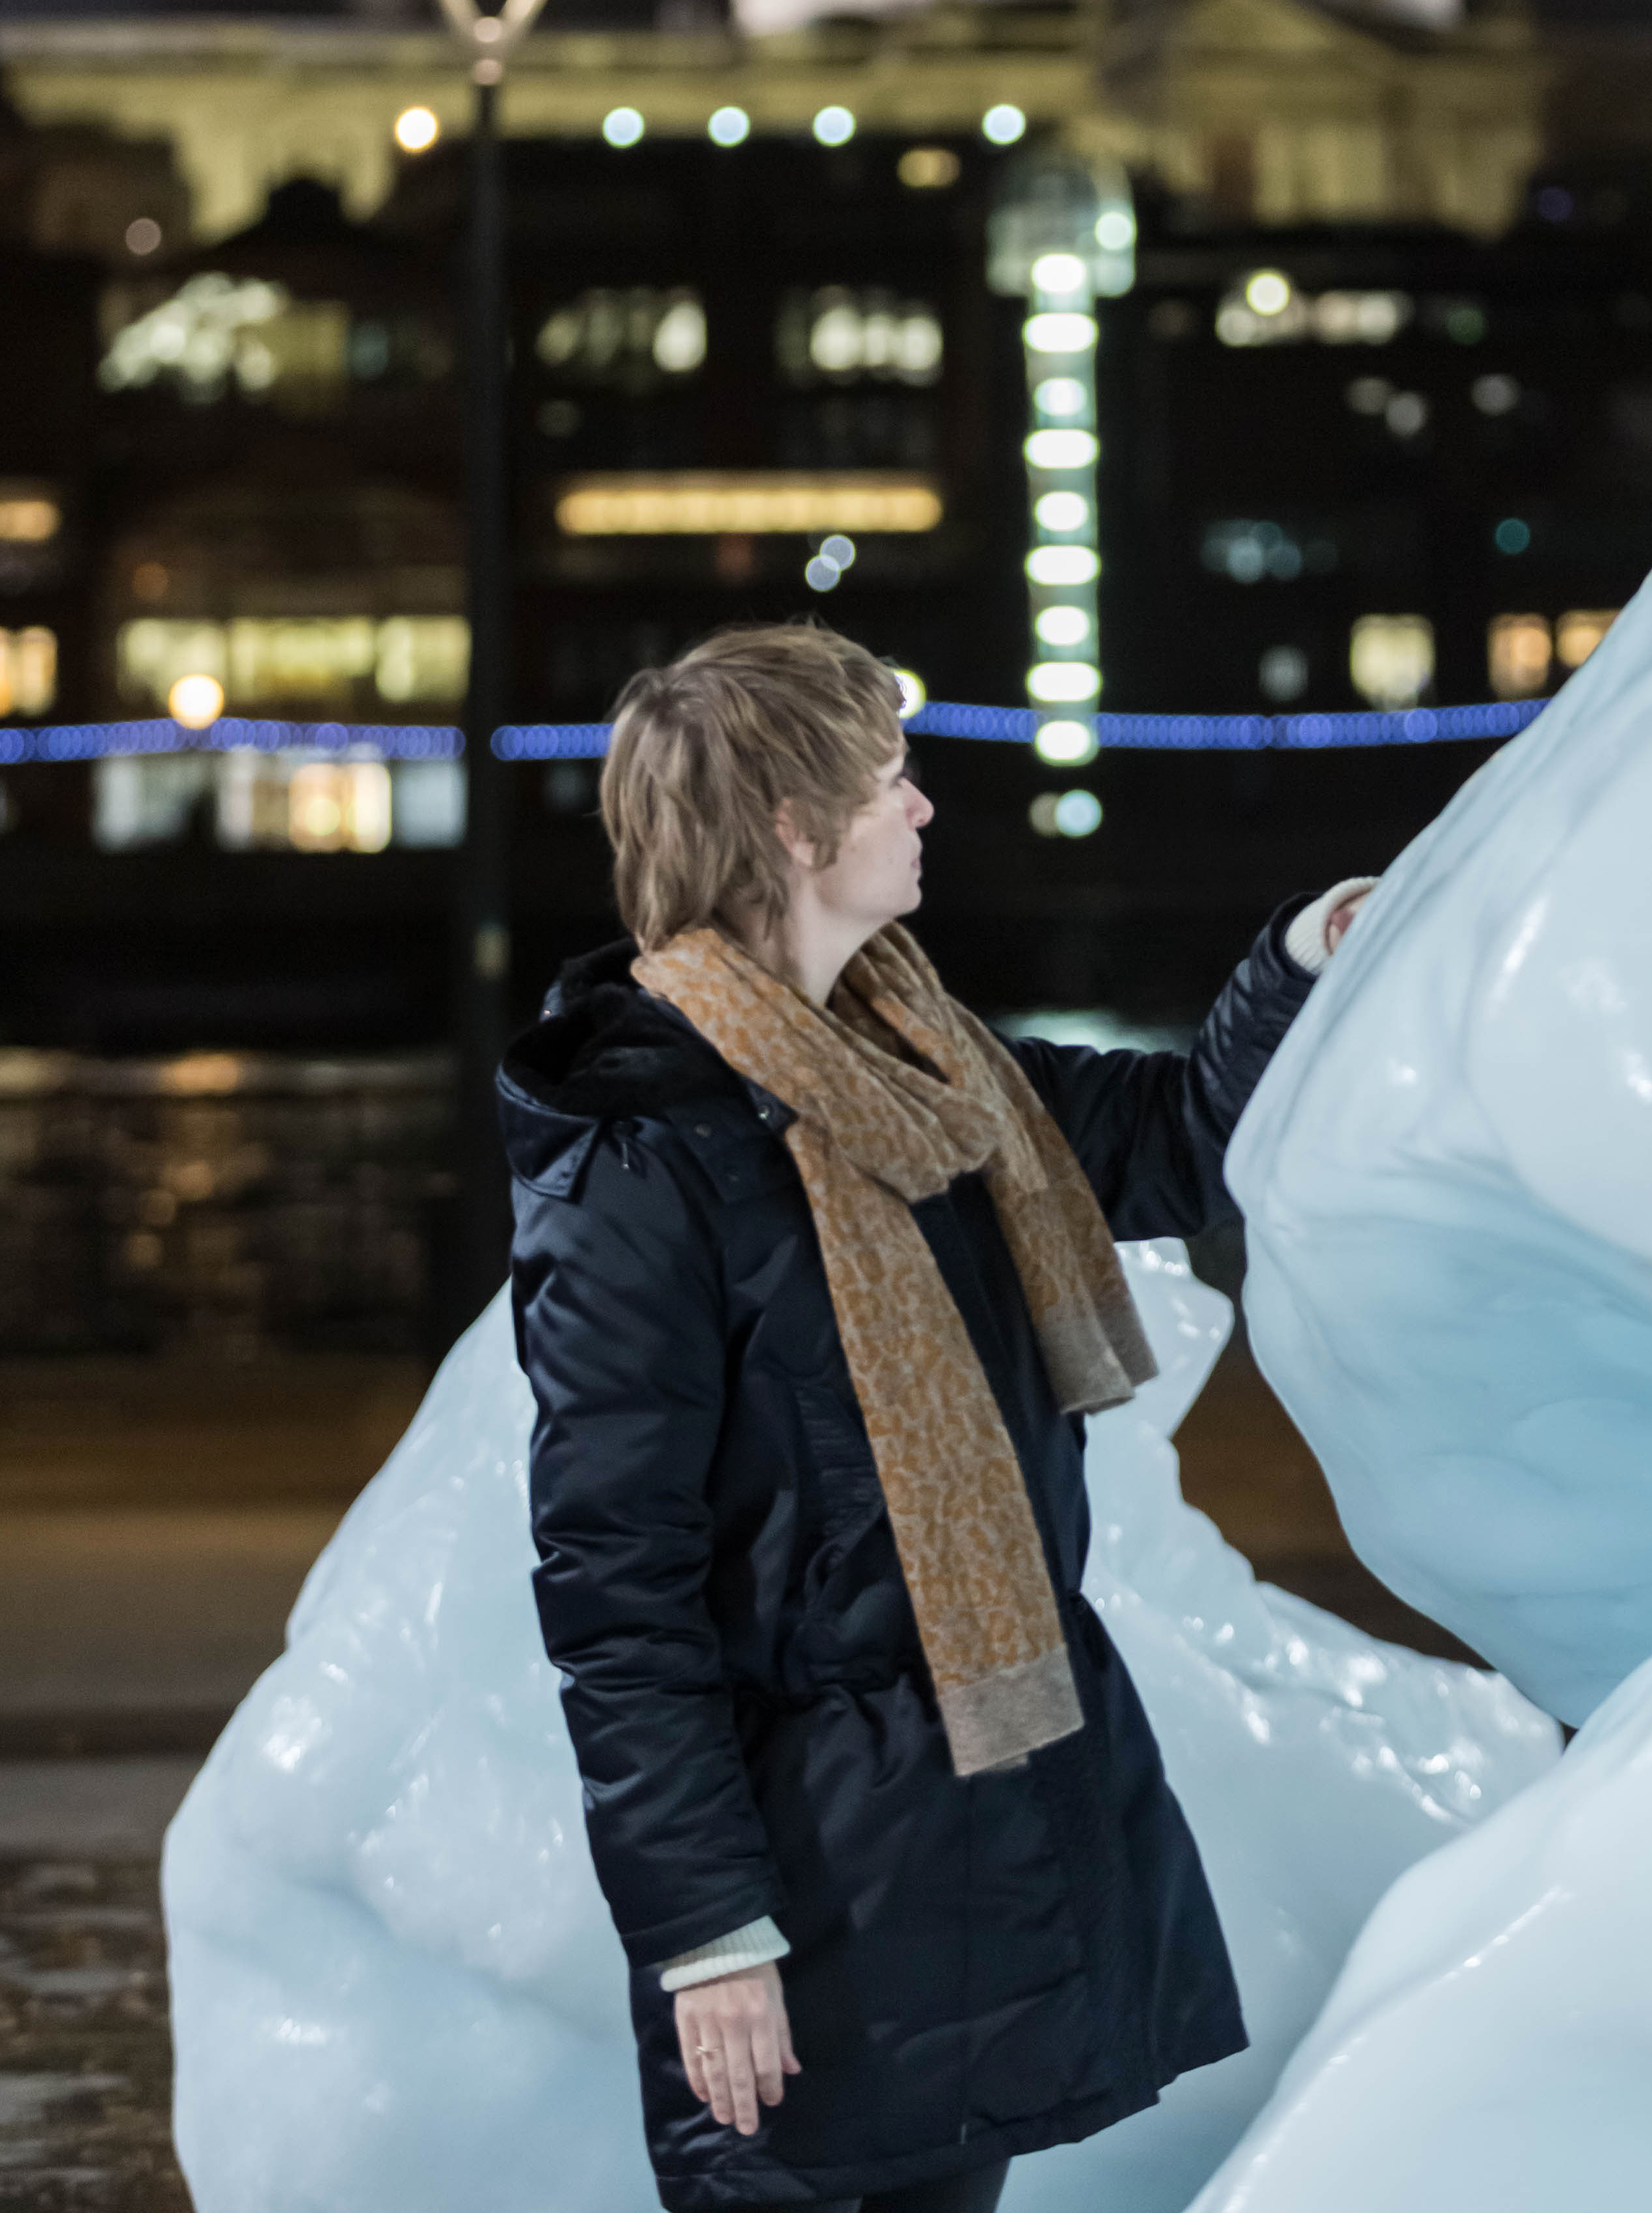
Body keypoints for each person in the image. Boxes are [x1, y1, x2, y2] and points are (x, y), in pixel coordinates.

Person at [498, 622, 1376, 2213]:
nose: (919, 811)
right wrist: (709, 1938)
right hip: (799, 1872)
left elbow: (1174, 1144)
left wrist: (1307, 954)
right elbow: (618, 1587)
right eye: (889, 780)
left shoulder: (932, 1072)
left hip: (975, 1819)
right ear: (787, 824)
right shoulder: (641, 1162)